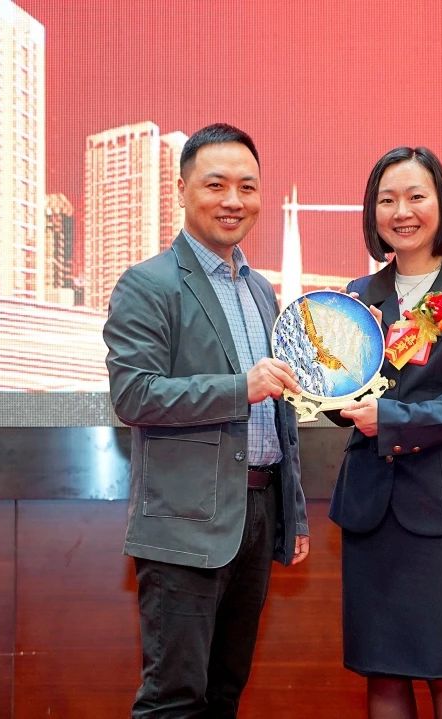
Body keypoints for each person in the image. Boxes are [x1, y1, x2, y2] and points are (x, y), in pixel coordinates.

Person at [102, 123, 310, 718]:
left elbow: (279, 413)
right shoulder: (148, 284)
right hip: (185, 523)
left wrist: (292, 511)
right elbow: (134, 396)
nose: (233, 200)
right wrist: (241, 387)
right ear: (182, 189)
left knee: (224, 696)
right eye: (216, 185)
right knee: (173, 701)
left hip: (257, 513)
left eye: (248, 186)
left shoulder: (261, 291)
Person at [330, 146, 442, 719]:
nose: (401, 212)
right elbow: (345, 396)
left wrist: (392, 420)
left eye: (415, 197)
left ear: (441, 204)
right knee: (382, 672)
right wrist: (317, 385)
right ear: (372, 212)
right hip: (371, 510)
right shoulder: (358, 295)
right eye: (387, 200)